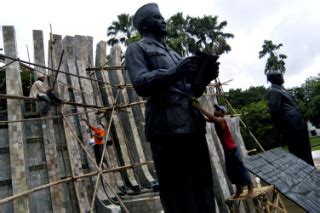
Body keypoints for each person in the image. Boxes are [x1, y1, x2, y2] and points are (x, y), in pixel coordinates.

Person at [125, 3, 217, 212]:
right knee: (179, 193)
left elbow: (190, 91)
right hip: (168, 130)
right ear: (145, 25)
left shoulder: (174, 54)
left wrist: (203, 79)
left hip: (193, 125)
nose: (163, 20)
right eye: (157, 17)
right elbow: (141, 83)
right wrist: (176, 72)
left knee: (203, 188)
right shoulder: (137, 49)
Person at [193, 101, 254, 197]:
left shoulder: (221, 120)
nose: (215, 111)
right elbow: (207, 119)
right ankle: (239, 189)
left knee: (240, 169)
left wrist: (200, 108)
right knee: (231, 171)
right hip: (227, 151)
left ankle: (250, 187)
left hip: (233, 150)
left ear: (222, 113)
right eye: (215, 109)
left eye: (217, 110)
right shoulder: (216, 120)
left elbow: (212, 118)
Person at [267, 72, 314, 166]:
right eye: (279, 76)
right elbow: (274, 112)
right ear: (272, 79)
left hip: (298, 125)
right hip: (291, 127)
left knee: (305, 150)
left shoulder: (282, 89)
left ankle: (311, 169)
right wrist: (282, 129)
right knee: (299, 152)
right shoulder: (274, 91)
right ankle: (305, 171)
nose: (282, 77)